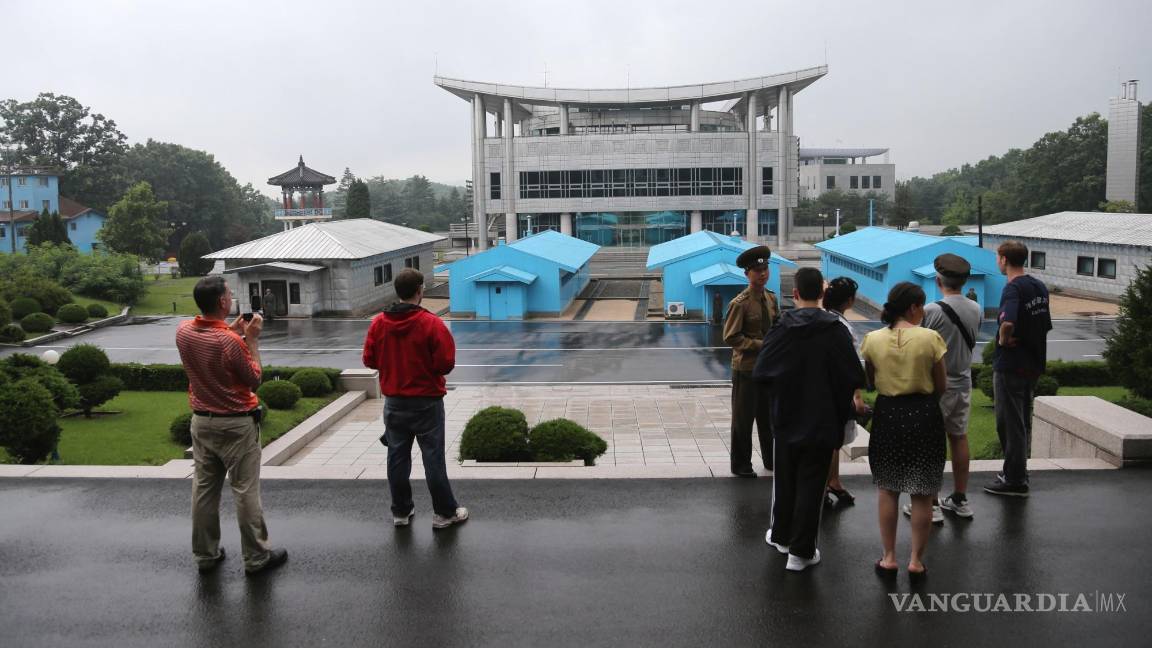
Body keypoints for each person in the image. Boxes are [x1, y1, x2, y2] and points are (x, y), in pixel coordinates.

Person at [754, 268, 866, 572]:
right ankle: (801, 553)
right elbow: (854, 375)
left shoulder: (782, 327)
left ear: (795, 294)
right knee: (812, 485)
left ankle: (780, 537)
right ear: (822, 294)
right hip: (822, 419)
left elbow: (762, 371)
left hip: (787, 416)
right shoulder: (835, 330)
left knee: (785, 481)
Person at [175, 276, 287, 575]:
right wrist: (250, 339)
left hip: (201, 421)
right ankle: (256, 557)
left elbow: (212, 347)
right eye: (228, 294)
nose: (230, 297)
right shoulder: (229, 342)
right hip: (236, 425)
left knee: (204, 489)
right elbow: (254, 378)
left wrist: (233, 331)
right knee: (245, 490)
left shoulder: (184, 332)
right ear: (223, 302)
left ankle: (205, 554)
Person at [362, 268, 468, 529]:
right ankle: (444, 513)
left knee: (397, 458)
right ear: (420, 290)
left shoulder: (378, 323)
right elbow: (445, 364)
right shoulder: (431, 323)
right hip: (426, 403)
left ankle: (401, 512)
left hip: (394, 403)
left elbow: (369, 359)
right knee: (432, 459)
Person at [861, 282, 947, 581]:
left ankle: (888, 557)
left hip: (888, 415)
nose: (923, 311)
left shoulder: (871, 340)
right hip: (924, 413)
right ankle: (916, 561)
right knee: (923, 492)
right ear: (912, 307)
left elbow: (870, 381)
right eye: (921, 306)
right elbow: (942, 385)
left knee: (888, 488)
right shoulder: (930, 338)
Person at [906, 254, 982, 522]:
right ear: (964, 280)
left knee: (932, 442)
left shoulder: (932, 311)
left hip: (936, 386)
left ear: (938, 280)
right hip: (963, 382)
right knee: (959, 438)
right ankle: (960, 498)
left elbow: (917, 344)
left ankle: (932, 502)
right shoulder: (976, 308)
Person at [985, 241, 1051, 497]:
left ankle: (1014, 479)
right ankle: (1018, 471)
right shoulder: (1039, 286)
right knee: (1022, 421)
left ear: (1003, 259)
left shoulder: (1012, 289)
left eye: (997, 258)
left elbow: (1008, 321)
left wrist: (1003, 339)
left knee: (1009, 423)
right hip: (1033, 364)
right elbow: (1044, 323)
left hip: (1011, 366)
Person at [722, 245, 779, 477]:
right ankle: (741, 465)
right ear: (747, 274)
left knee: (769, 420)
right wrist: (760, 345)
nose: (762, 273)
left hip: (769, 369)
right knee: (743, 422)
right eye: (757, 270)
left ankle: (771, 460)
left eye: (765, 268)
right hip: (746, 369)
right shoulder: (740, 303)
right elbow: (731, 336)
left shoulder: (771, 298)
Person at [821, 276, 868, 508]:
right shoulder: (842, 327)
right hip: (836, 392)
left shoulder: (820, 319)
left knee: (833, 441)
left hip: (819, 389)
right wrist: (857, 397)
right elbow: (851, 366)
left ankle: (833, 480)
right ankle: (829, 483)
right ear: (849, 301)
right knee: (833, 439)